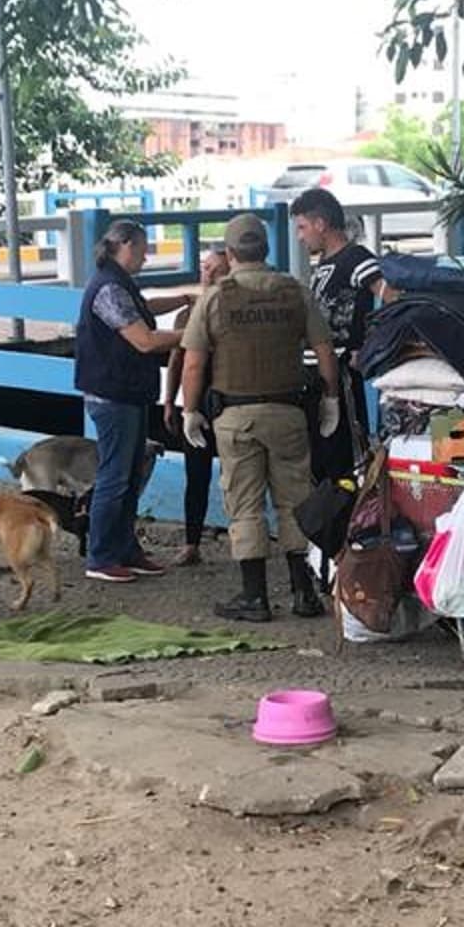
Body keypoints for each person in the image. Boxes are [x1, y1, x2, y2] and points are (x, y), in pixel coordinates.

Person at [180, 213, 338, 623]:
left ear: (230, 253)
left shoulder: (215, 298)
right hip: (289, 414)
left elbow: (193, 364)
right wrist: (331, 399)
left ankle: (255, 597)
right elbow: (325, 352)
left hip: (236, 416)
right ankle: (304, 594)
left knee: (245, 506)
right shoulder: (295, 292)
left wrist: (190, 410)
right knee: (294, 502)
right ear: (266, 249)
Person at [75, 219, 189, 584]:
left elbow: (143, 306)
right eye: (141, 249)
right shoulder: (108, 288)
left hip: (128, 392)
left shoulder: (116, 283)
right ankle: (102, 554)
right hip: (113, 395)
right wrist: (197, 334)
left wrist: (185, 299)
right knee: (115, 477)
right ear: (123, 245)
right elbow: (145, 340)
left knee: (130, 474)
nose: (144, 256)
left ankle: (125, 548)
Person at [290, 189, 390, 485]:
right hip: (316, 372)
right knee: (319, 455)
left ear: (321, 224)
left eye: (302, 227)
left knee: (343, 454)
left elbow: (392, 298)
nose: (300, 237)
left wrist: (370, 345)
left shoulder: (356, 258)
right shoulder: (323, 264)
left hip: (342, 371)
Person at [162, 245, 229, 566]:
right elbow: (177, 363)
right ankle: (192, 542)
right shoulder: (188, 313)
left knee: (239, 473)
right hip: (196, 400)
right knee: (196, 473)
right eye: (205, 267)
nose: (209, 273)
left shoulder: (233, 309)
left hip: (229, 400)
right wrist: (169, 401)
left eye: (216, 268)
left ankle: (244, 536)